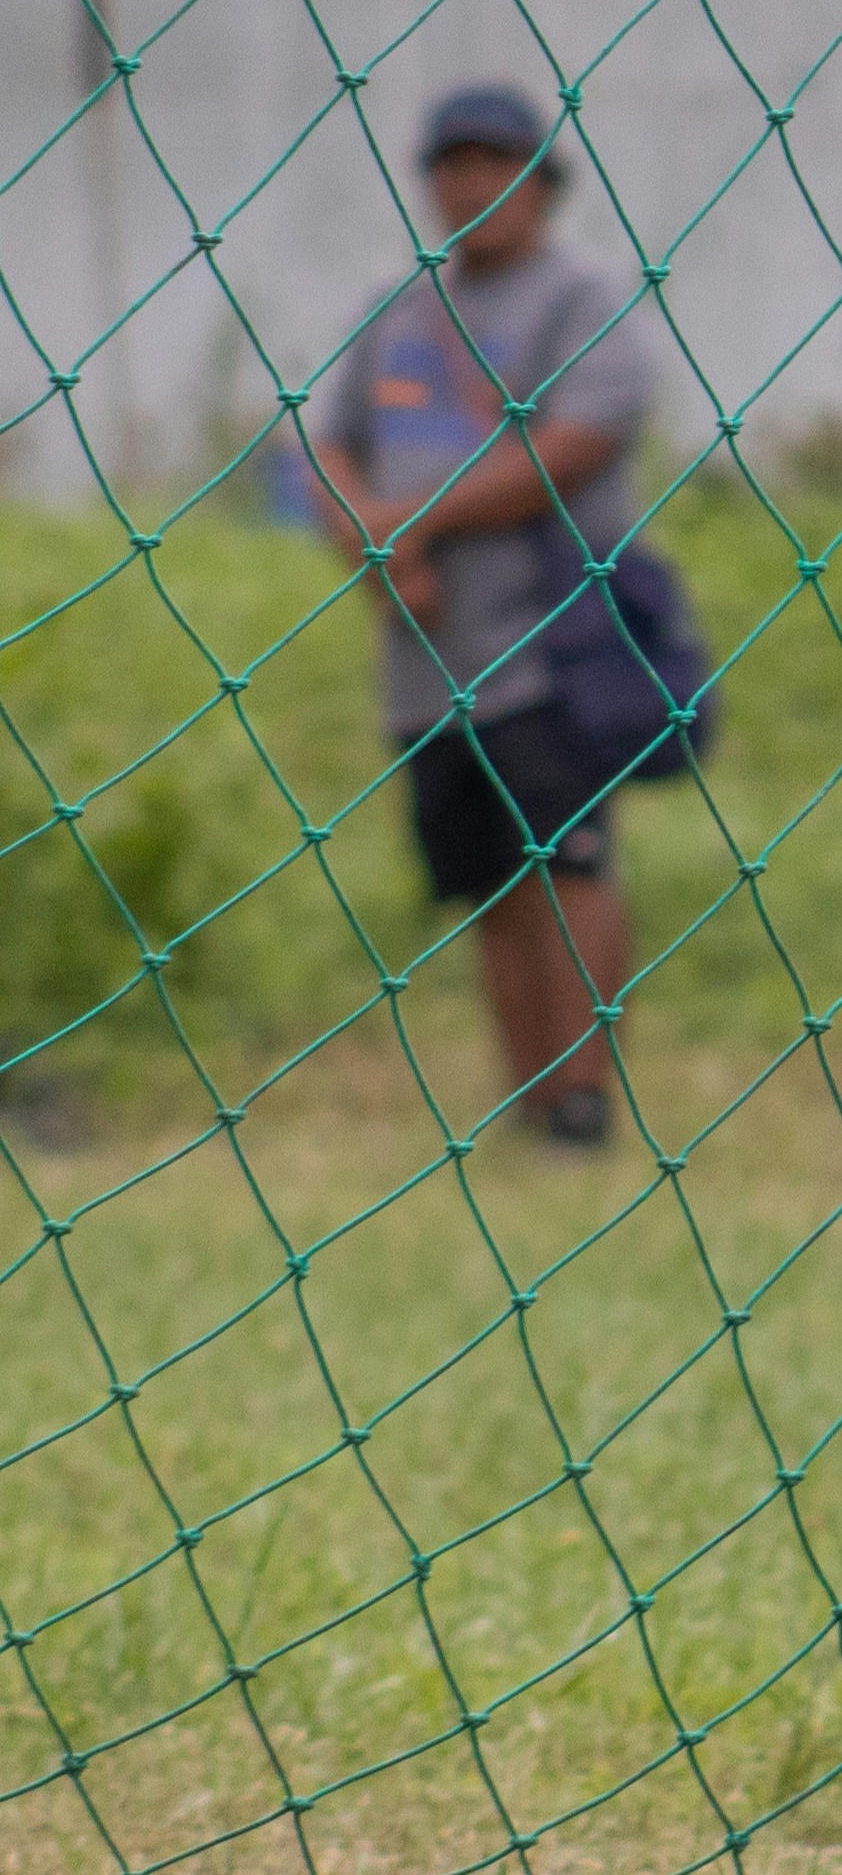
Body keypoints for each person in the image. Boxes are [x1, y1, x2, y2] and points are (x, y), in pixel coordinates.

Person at [302, 82, 657, 1150]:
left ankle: (586, 1099)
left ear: (544, 184)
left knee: (571, 862)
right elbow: (322, 440)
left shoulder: (583, 298)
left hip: (545, 649)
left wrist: (407, 522)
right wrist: (371, 541)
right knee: (486, 885)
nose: (471, 182)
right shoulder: (397, 304)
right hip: (424, 656)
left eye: (496, 161)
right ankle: (530, 1100)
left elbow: (577, 444)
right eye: (452, 162)